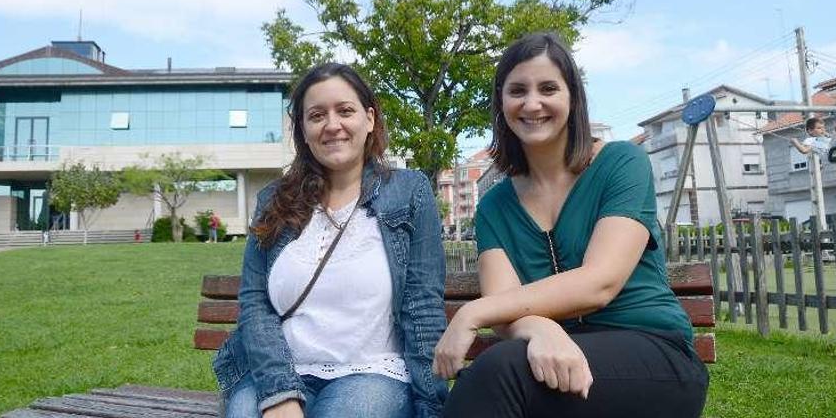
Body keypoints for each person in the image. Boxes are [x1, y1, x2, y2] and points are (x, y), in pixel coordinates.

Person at [433, 33, 709, 418]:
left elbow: (601, 281)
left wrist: (470, 313)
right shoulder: (495, 205)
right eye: (517, 91)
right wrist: (543, 330)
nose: (532, 103)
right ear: (501, 104)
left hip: (653, 352)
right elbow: (505, 306)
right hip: (553, 359)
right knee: (497, 378)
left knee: (498, 373)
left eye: (548, 88)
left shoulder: (621, 163)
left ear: (573, 98)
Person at [212, 62, 448, 418]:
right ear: (303, 130)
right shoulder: (273, 201)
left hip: (373, 374)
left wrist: (431, 406)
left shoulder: (408, 192)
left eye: (345, 111)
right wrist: (280, 394)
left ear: (369, 119)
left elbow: (423, 306)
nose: (332, 125)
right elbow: (256, 303)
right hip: (280, 371)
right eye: (317, 115)